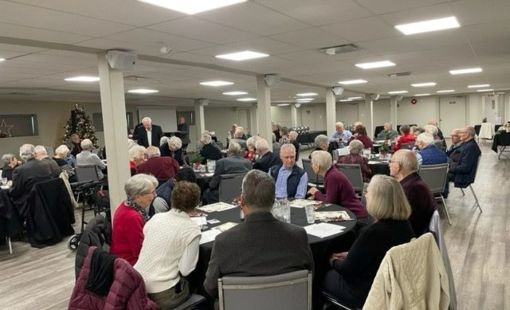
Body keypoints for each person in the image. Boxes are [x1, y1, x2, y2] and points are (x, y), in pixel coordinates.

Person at [204, 170, 314, 297]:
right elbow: (310, 277)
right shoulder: (298, 236)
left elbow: (210, 287)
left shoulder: (224, 242)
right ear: (273, 201)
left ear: (242, 201)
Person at [322, 175, 415, 308]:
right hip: (391, 286)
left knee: (323, 273)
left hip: (366, 292)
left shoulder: (373, 233)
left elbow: (347, 270)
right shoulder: (405, 225)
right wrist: (351, 255)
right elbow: (376, 254)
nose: (365, 195)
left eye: (368, 192)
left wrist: (332, 260)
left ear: (378, 200)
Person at [135, 181, 201, 309]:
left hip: (137, 286)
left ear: (172, 198)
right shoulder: (191, 229)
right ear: (196, 204)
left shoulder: (156, 218)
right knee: (196, 281)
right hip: (163, 294)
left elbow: (147, 236)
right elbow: (186, 269)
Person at [110, 174, 157, 265]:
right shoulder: (133, 217)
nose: (155, 195)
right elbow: (139, 251)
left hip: (123, 258)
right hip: (129, 264)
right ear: (138, 196)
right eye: (152, 192)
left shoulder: (126, 205)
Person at [307, 151, 368, 220]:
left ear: (317, 166)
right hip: (349, 212)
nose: (311, 166)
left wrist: (316, 192)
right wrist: (317, 195)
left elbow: (329, 204)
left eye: (312, 164)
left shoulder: (332, 177)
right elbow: (332, 196)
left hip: (355, 216)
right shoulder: (332, 173)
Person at [389, 150, 437, 236]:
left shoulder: (412, 189)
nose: (389, 164)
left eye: (391, 161)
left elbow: (401, 220)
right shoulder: (414, 182)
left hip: (411, 237)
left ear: (398, 166)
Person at [10, 144, 58, 218]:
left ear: (21, 156)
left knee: (8, 200)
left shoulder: (19, 170)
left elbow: (15, 191)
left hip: (30, 204)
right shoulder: (45, 165)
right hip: (48, 201)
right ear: (34, 153)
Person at [444, 126, 481, 198]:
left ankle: (441, 195)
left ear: (467, 134)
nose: (459, 134)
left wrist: (449, 168)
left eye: (461, 133)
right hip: (458, 172)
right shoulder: (467, 144)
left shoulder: (470, 147)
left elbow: (465, 168)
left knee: (439, 174)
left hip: (462, 176)